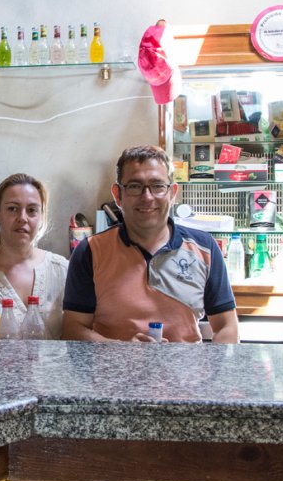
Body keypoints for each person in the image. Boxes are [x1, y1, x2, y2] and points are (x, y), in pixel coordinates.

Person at [62, 146, 239, 343]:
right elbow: (73, 329)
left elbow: (227, 326)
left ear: (172, 193)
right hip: (115, 373)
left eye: (157, 186)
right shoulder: (90, 252)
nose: (147, 197)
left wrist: (214, 372)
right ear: (117, 195)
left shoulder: (204, 248)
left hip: (187, 373)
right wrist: (122, 351)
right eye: (135, 186)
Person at [0, 173, 68, 339]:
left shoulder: (62, 270)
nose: (22, 218)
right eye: (12, 209)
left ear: (41, 217)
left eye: (32, 210)